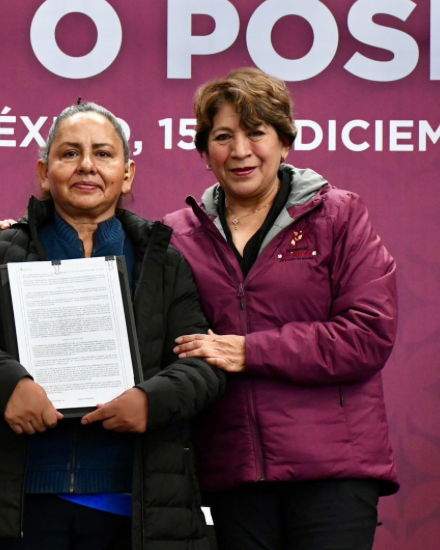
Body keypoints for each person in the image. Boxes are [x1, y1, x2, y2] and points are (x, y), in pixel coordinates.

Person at [0, 101, 225, 550]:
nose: (86, 165)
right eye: (69, 153)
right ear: (43, 171)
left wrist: (151, 400)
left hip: (130, 505)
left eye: (103, 154)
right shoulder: (1, 251)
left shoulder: (162, 261)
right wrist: (9, 384)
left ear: (127, 174)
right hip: (18, 501)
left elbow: (201, 362)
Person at [165, 68, 398, 550]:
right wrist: (22, 233)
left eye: (256, 132)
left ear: (285, 142)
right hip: (230, 470)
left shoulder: (340, 215)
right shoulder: (175, 235)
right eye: (224, 136)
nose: (241, 150)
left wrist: (250, 351)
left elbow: (368, 334)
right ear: (206, 153)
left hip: (334, 469)